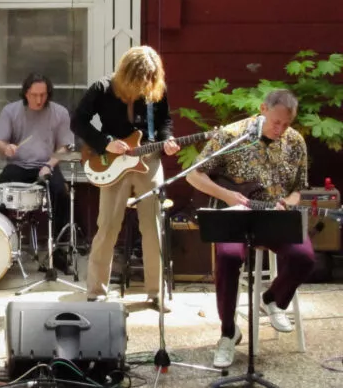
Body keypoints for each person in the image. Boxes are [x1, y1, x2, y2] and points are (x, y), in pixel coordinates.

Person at [186, 89, 315, 369]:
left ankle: (272, 300)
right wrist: (226, 195)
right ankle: (228, 333)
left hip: (274, 215)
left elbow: (299, 190)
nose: (280, 129)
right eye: (275, 122)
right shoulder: (234, 135)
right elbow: (194, 175)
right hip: (236, 212)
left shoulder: (295, 142)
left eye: (286, 124)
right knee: (228, 258)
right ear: (263, 110)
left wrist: (287, 203)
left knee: (304, 257)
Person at [72, 46, 179, 309]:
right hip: (114, 163)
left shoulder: (156, 88)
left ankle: (155, 292)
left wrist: (167, 141)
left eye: (149, 79)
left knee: (153, 227)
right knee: (107, 225)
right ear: (127, 73)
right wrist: (105, 142)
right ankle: (96, 290)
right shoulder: (102, 88)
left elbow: (164, 121)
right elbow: (78, 121)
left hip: (148, 160)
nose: (144, 84)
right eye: (140, 79)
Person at [0, 72, 75, 269]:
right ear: (25, 93)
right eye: (35, 95)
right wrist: (6, 148)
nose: (39, 100)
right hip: (18, 165)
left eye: (43, 95)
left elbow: (65, 147)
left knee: (61, 194)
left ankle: (58, 251)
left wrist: (48, 165)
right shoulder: (10, 111)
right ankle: (0, 247)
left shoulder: (59, 112)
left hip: (47, 164)